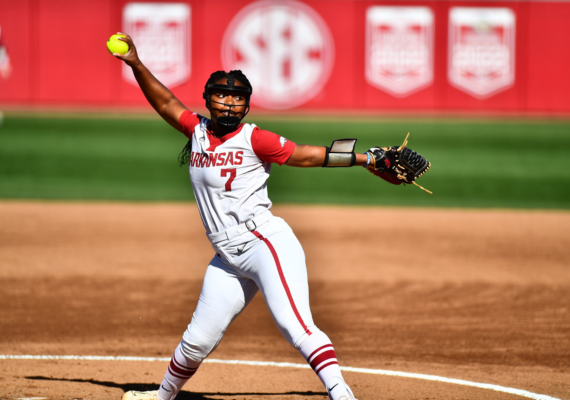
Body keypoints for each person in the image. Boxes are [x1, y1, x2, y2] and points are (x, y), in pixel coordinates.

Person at [111, 32, 373, 400]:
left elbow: (310, 155)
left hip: (263, 243)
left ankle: (341, 394)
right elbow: (166, 102)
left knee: (294, 325)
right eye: (222, 95)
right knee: (197, 340)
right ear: (208, 99)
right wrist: (136, 63)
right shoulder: (197, 130)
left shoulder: (254, 139)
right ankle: (162, 397)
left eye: (237, 98)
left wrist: (368, 158)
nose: (229, 103)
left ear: (247, 106)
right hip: (226, 256)